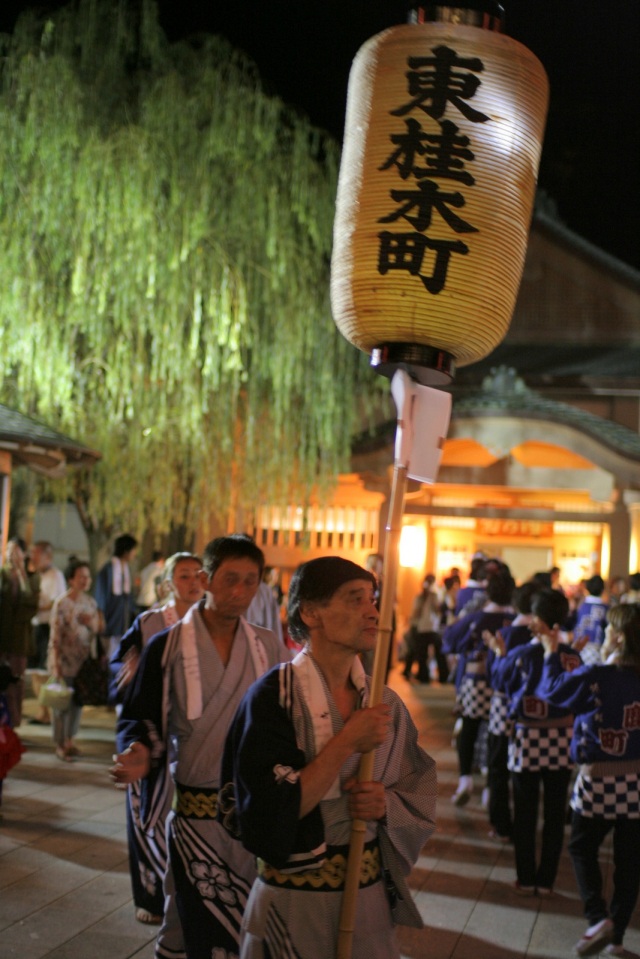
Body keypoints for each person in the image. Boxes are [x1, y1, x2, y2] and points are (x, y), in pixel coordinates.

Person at [219, 556, 437, 959]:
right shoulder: (273, 697)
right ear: (311, 613)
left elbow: (417, 788)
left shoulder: (383, 702)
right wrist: (346, 741)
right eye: (355, 600)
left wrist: (383, 804)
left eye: (372, 599)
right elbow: (268, 810)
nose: (373, 612)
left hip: (365, 895)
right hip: (293, 899)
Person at [110, 535, 289, 959]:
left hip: (249, 816)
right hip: (193, 813)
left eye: (251, 582)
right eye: (230, 580)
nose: (240, 592)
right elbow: (141, 716)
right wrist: (138, 750)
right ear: (207, 580)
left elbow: (286, 727)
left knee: (249, 923)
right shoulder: (167, 645)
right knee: (193, 921)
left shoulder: (268, 647)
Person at [538, 603, 640, 957]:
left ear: (621, 637)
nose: (605, 635)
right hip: (638, 783)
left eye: (610, 630)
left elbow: (552, 691)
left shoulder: (597, 675)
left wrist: (552, 654)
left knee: (582, 848)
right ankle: (616, 937)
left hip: (597, 779)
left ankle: (598, 917)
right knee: (630, 863)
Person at [110, 552, 204, 925]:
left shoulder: (212, 625)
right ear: (166, 584)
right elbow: (121, 665)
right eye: (183, 576)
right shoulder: (148, 624)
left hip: (196, 735)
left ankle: (190, 889)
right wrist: (127, 673)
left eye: (199, 574)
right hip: (154, 731)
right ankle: (149, 897)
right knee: (147, 813)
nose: (193, 582)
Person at [490, 588, 582, 895]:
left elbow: (501, 684)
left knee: (526, 812)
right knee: (555, 814)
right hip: (563, 739)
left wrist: (501, 656)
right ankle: (547, 881)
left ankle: (525, 876)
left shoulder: (521, 655)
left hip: (527, 740)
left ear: (536, 619)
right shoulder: (572, 657)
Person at [442, 571, 515, 805]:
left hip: (476, 680)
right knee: (498, 736)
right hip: (504, 686)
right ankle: (491, 788)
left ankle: (465, 779)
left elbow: (450, 639)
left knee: (469, 729)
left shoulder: (477, 617)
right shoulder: (515, 621)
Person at [483, 580, 540, 841]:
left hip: (503, 708)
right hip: (534, 711)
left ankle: (500, 823)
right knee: (527, 771)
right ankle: (525, 824)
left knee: (498, 767)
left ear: (516, 605)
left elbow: (493, 677)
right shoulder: (542, 636)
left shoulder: (505, 635)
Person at [47, 558, 104, 762]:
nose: (85, 580)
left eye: (87, 577)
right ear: (71, 579)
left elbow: (98, 629)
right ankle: (60, 744)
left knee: (78, 704)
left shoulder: (90, 602)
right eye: (81, 576)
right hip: (64, 659)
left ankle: (70, 740)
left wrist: (91, 624)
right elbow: (55, 634)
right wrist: (55, 663)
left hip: (84, 662)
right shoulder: (62, 603)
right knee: (61, 704)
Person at [0, 538, 40, 727]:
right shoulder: (3, 574)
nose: (11, 554)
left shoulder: (32, 577)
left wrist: (22, 575)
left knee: (17, 681)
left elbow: (31, 605)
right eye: (8, 550)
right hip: (2, 634)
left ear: (23, 554)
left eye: (15, 551)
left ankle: (14, 723)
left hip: (20, 637)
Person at [29, 541, 67, 724]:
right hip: (36, 625)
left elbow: (56, 602)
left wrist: (35, 606)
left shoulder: (56, 576)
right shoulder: (37, 575)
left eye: (36, 555)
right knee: (35, 671)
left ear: (47, 556)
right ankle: (42, 711)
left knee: (44, 671)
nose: (33, 559)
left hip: (47, 627)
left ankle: (47, 712)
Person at [94, 533, 138, 661]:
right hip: (110, 618)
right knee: (108, 655)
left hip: (122, 621)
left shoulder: (127, 569)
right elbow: (100, 594)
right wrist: (101, 616)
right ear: (126, 551)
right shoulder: (108, 569)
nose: (134, 554)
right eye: (133, 550)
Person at [403, 573, 447, 684]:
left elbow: (415, 613)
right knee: (438, 653)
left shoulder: (420, 597)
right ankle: (442, 675)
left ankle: (423, 675)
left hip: (422, 628)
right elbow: (438, 611)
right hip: (432, 628)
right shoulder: (434, 596)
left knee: (422, 654)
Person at [572, 574, 609, 665]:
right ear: (602, 590)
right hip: (597, 647)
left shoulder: (581, 606)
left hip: (579, 645)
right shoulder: (605, 608)